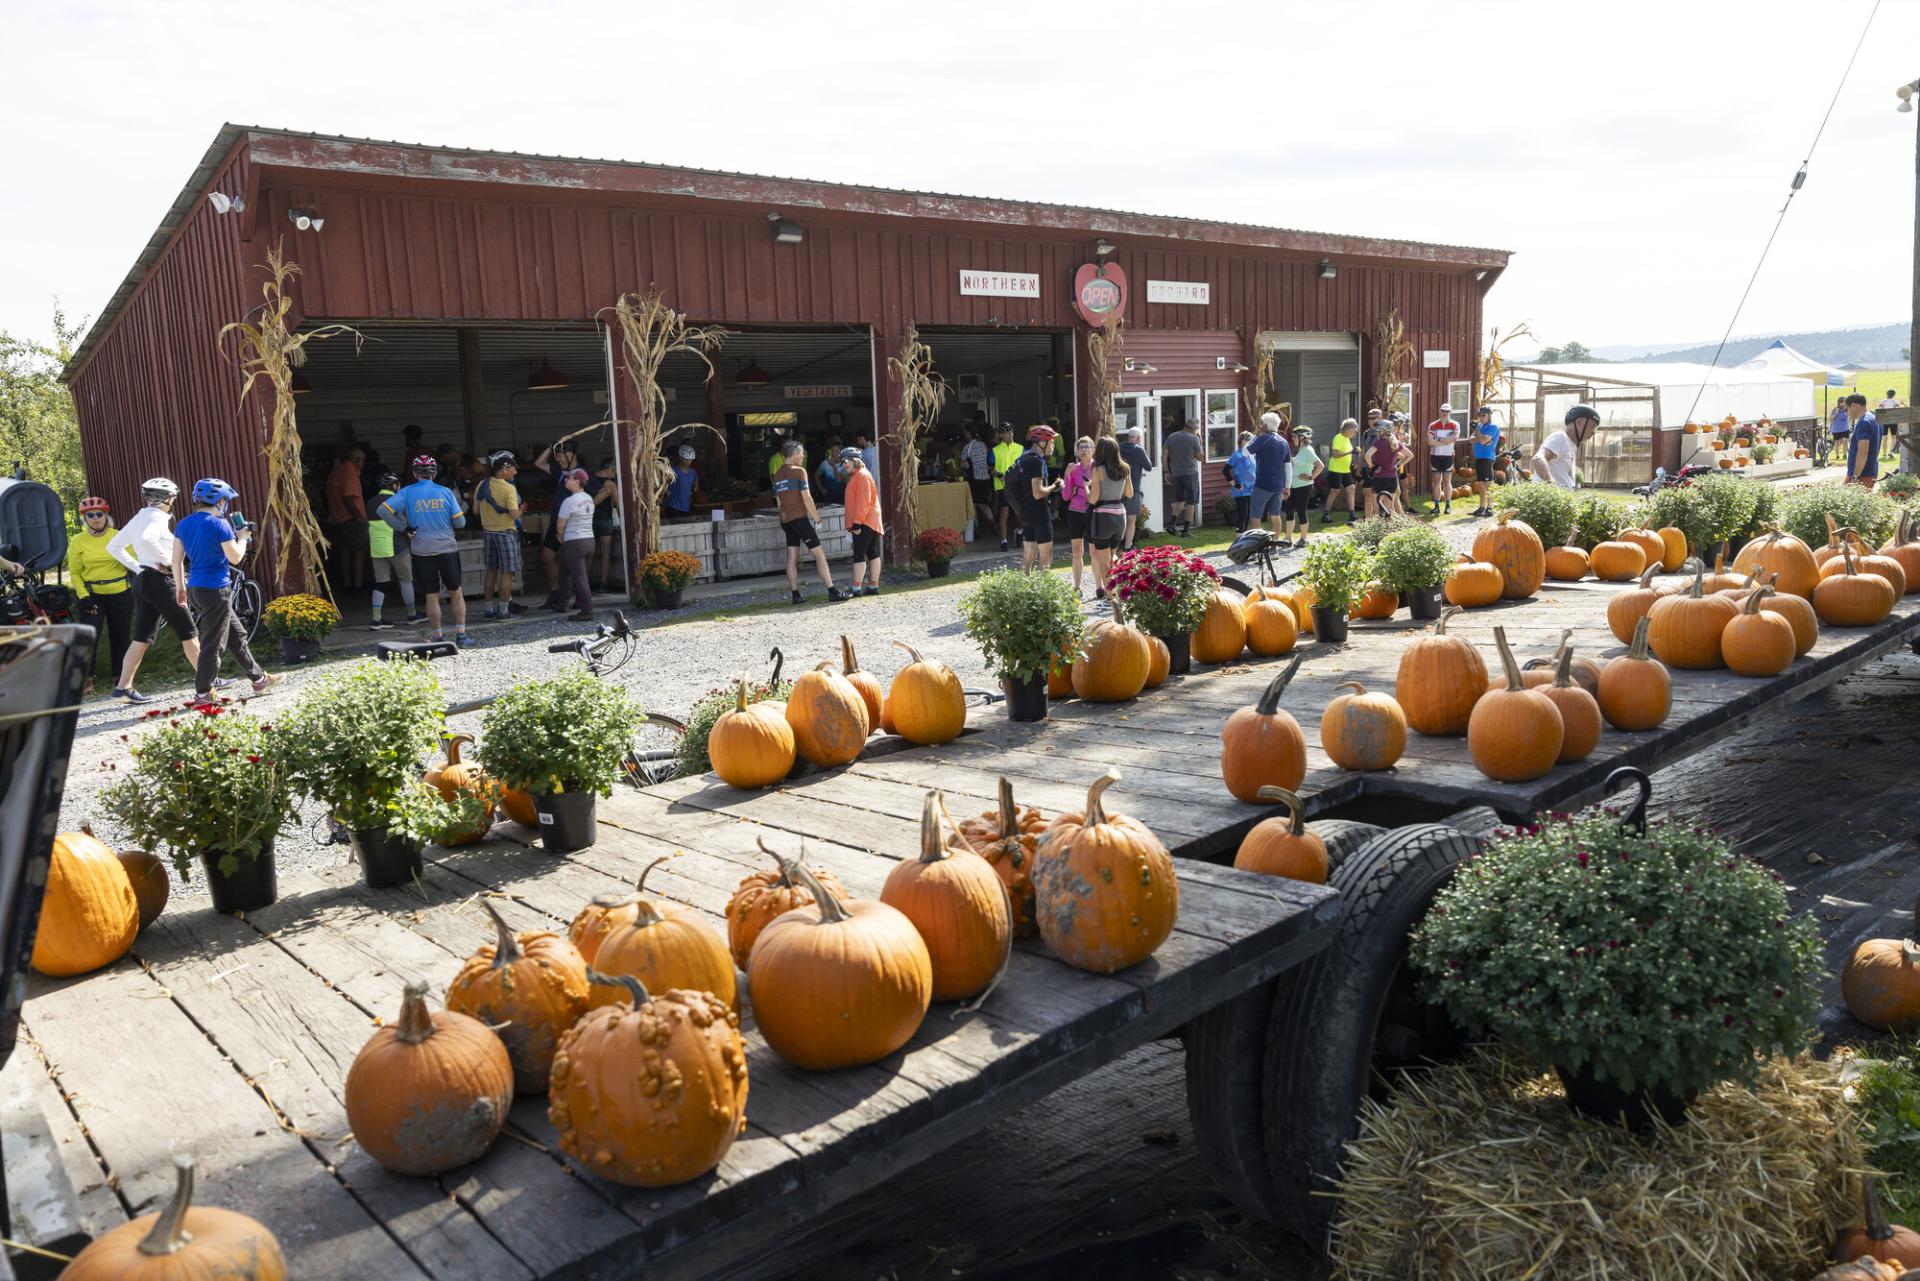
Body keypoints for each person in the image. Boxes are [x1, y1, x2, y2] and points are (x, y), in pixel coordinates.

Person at [174, 478, 278, 710]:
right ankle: (203, 693)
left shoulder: (184, 524)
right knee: (213, 642)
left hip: (196, 589)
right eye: (226, 501)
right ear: (220, 501)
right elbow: (236, 558)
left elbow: (177, 560)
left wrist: (180, 587)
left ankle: (259, 679)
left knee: (236, 634)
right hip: (216, 589)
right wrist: (242, 537)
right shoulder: (219, 524)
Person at [107, 478, 204, 703]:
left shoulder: (140, 516)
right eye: (173, 497)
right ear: (166, 498)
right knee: (188, 630)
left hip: (144, 581)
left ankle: (123, 688)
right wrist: (168, 563)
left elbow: (114, 547)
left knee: (142, 636)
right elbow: (148, 539)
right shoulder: (158, 517)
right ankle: (208, 678)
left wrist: (139, 567)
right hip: (162, 582)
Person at [378, 455, 472, 645]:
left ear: (414, 473)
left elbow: (383, 510)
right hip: (446, 548)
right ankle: (461, 635)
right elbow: (460, 523)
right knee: (455, 591)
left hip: (421, 550)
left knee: (431, 595)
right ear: (434, 473)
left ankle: (437, 636)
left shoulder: (405, 492)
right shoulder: (445, 492)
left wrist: (403, 527)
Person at [66, 496, 133, 694]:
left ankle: (120, 675)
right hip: (92, 595)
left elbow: (133, 561)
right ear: (84, 519)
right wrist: (83, 595)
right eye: (90, 515)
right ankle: (87, 679)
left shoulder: (117, 536)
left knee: (120, 635)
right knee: (90, 636)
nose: (96, 519)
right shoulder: (78, 541)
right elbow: (75, 573)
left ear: (106, 515)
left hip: (120, 593)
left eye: (99, 514)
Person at [773, 440, 848, 604]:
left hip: (785, 520)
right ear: (793, 454)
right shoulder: (800, 472)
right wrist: (817, 518)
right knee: (819, 554)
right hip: (799, 519)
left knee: (792, 557)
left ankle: (795, 595)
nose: (803, 456)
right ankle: (832, 590)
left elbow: (778, 501)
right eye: (801, 453)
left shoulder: (778, 474)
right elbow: (807, 498)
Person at [473, 450, 525, 621]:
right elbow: (514, 515)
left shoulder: (482, 485)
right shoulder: (508, 488)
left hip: (488, 532)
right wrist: (522, 508)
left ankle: (488, 609)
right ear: (504, 469)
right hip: (506, 533)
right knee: (507, 572)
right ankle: (503, 610)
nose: (515, 472)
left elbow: (475, 510)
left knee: (491, 572)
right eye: (513, 469)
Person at [1006, 425, 1064, 572]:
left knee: (1028, 556)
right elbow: (1037, 492)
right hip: (1040, 512)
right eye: (1051, 442)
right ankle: (1044, 592)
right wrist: (1055, 486)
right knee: (1046, 557)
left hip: (1025, 512)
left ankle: (1023, 590)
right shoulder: (1037, 461)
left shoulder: (1023, 458)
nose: (1053, 446)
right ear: (1042, 443)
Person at [532, 439, 582, 608]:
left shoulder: (581, 474)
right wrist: (551, 446)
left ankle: (580, 597)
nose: (558, 459)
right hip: (556, 522)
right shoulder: (559, 471)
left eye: (560, 456)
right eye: (556, 456)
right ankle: (556, 593)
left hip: (571, 524)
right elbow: (539, 463)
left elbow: (596, 494)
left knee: (572, 561)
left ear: (571, 454)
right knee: (546, 557)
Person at [366, 472, 418, 630]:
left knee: (380, 582)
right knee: (405, 579)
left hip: (377, 547)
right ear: (394, 486)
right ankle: (412, 614)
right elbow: (404, 522)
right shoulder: (396, 500)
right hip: (398, 546)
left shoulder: (370, 501)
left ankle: (376, 619)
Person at [1086, 436, 1133, 601]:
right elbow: (1129, 493)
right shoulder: (1125, 468)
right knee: (1112, 556)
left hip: (1103, 517)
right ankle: (1119, 587)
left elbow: (1093, 499)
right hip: (1120, 514)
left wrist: (1087, 489)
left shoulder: (1097, 469)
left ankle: (1111, 597)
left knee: (1103, 561)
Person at [553, 468, 597, 621]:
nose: (566, 480)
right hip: (589, 540)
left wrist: (561, 537)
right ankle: (563, 603)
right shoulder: (589, 498)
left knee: (580, 577)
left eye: (569, 478)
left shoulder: (569, 501)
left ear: (577, 481)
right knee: (565, 570)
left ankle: (587, 611)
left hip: (574, 541)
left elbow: (560, 524)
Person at [840, 447, 883, 596]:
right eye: (842, 461)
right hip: (869, 519)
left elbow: (863, 501)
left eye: (846, 461)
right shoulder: (859, 475)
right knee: (872, 553)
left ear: (855, 461)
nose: (844, 464)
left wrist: (857, 522)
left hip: (864, 521)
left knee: (859, 554)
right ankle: (873, 586)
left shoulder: (861, 475)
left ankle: (857, 588)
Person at [326, 446, 368, 591]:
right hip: (351, 519)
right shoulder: (350, 471)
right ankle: (358, 584)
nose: (363, 463)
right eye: (362, 460)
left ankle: (347, 582)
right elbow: (348, 495)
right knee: (359, 551)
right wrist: (358, 515)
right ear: (357, 460)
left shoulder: (336, 471)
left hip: (338, 519)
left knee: (345, 551)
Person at [1246, 412, 1293, 537]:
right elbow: (1288, 465)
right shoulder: (1283, 442)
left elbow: (1245, 452)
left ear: (1265, 425)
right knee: (1275, 515)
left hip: (1262, 483)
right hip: (1278, 484)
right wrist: (1287, 486)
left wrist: (1255, 436)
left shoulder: (1262, 438)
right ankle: (1274, 545)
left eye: (1262, 424)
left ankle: (1257, 544)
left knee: (1255, 515)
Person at [1061, 436, 1096, 596]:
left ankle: (1099, 587)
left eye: (1086, 447)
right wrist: (1067, 476)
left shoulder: (1097, 467)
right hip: (1075, 512)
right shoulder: (1073, 468)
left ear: (1093, 449)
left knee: (1095, 552)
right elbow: (1066, 496)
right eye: (1080, 447)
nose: (1083, 450)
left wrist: (1079, 490)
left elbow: (1095, 494)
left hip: (1093, 512)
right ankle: (1077, 587)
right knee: (1077, 551)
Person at [1533, 404, 1596, 489]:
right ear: (1579, 423)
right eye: (1592, 427)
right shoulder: (1561, 438)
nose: (1593, 432)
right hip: (1550, 500)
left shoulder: (1570, 444)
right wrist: (1551, 483)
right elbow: (1538, 459)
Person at [1282, 426, 1323, 547]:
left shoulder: (1307, 450)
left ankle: (1303, 539)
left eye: (1294, 437)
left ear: (1302, 438)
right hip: (1293, 486)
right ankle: (1288, 538)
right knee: (1289, 510)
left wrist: (1311, 477)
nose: (1292, 439)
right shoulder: (1300, 450)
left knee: (1301, 511)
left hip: (1304, 486)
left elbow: (1320, 466)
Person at [1162, 417, 1204, 537]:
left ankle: (1172, 524)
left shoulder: (1172, 437)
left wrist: (1166, 472)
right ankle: (1185, 530)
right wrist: (1199, 441)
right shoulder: (1194, 438)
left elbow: (1164, 455)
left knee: (1180, 500)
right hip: (1190, 474)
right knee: (1191, 502)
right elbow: (1201, 457)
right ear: (1195, 428)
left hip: (1176, 473)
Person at [1119, 427, 1152, 551]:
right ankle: (1128, 546)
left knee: (1119, 517)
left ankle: (1118, 544)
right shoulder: (1139, 449)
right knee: (1131, 519)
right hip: (1134, 489)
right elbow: (1148, 467)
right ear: (1138, 438)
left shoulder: (1119, 448)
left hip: (1118, 489)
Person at [991, 422, 1023, 550]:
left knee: (1018, 513)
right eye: (1007, 433)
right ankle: (1003, 541)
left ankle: (1019, 531)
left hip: (1017, 486)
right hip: (1002, 486)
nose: (1010, 435)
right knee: (1004, 512)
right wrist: (999, 475)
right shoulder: (995, 450)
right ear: (1001, 435)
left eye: (1011, 432)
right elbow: (990, 470)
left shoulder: (1020, 448)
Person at [1366, 423, 1408, 516]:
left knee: (1377, 511)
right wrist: (1399, 465)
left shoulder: (1378, 442)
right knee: (1388, 510)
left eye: (1378, 431)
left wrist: (1372, 467)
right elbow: (1409, 455)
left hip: (1379, 478)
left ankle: (1378, 529)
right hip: (1392, 478)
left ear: (1382, 431)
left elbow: (1367, 455)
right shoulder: (1395, 442)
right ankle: (1388, 529)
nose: (1377, 433)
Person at [961, 424, 995, 538]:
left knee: (973, 505)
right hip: (985, 478)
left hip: (974, 479)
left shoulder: (967, 447)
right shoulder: (983, 445)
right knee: (984, 504)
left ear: (968, 433)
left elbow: (964, 464)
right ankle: (993, 524)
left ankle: (975, 529)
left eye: (965, 432)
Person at [1321, 419, 1358, 525]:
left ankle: (1352, 514)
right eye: (1354, 431)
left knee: (1351, 488)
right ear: (1347, 429)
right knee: (1335, 491)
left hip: (1345, 469)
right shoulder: (1338, 437)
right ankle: (1326, 514)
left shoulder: (1347, 439)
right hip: (1336, 469)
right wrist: (1350, 452)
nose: (1355, 433)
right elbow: (1335, 454)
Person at [590, 457, 618, 591]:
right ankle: (603, 582)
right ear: (610, 469)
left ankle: (585, 582)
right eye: (615, 472)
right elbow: (618, 504)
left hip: (589, 519)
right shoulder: (610, 484)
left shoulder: (589, 479)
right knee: (605, 552)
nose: (615, 475)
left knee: (590, 552)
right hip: (605, 520)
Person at [1425, 405, 1461, 514]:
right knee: (1436, 481)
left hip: (1448, 456)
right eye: (1443, 411)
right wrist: (1446, 441)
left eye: (1447, 411)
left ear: (1450, 412)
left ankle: (1448, 506)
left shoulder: (1455, 424)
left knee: (1446, 481)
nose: (1445, 413)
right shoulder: (1433, 425)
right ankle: (1436, 506)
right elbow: (1430, 442)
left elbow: (1454, 439)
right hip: (1435, 456)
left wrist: (1439, 439)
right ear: (1440, 411)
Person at [1843, 393, 1883, 489]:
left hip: (1861, 474)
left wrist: (1855, 476)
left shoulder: (1863, 423)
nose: (1846, 413)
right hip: (1871, 470)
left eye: (1846, 409)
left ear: (1854, 405)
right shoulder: (1874, 419)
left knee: (1849, 501)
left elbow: (1863, 451)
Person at [1469, 407, 1502, 516]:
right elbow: (1471, 440)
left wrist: (1478, 433)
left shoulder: (1493, 427)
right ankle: (1481, 507)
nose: (1481, 417)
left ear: (1489, 416)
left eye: (1484, 415)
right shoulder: (1480, 427)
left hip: (1487, 457)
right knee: (1482, 485)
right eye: (1480, 415)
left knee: (1489, 484)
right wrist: (1482, 438)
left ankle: (1490, 509)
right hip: (1479, 457)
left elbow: (1482, 441)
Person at [1226, 431, 1257, 532]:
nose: (1249, 441)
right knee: (1242, 514)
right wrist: (1236, 484)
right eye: (1247, 439)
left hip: (1252, 489)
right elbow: (1225, 470)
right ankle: (1239, 537)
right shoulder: (1236, 455)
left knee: (1248, 514)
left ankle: (1244, 537)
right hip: (1241, 490)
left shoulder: (1252, 455)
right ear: (1241, 441)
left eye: (1251, 439)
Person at [664, 444, 698, 518]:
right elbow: (663, 483)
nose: (689, 461)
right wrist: (666, 490)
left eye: (691, 459)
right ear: (680, 458)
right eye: (686, 459)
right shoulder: (672, 470)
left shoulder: (693, 473)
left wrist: (692, 491)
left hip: (686, 507)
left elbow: (695, 485)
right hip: (672, 507)